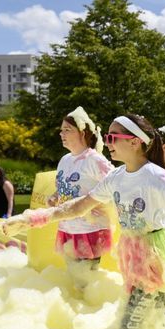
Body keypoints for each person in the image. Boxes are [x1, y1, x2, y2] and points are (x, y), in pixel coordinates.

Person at [4, 114, 165, 329]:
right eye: (107, 137)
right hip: (131, 251)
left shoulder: (155, 176)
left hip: (154, 254)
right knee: (156, 319)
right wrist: (31, 219)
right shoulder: (116, 177)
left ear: (135, 142)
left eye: (112, 137)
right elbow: (78, 206)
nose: (106, 143)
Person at [47, 107, 114, 292]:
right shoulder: (65, 159)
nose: (62, 134)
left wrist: (99, 204)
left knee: (86, 281)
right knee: (74, 278)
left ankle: (91, 314)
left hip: (90, 229)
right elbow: (64, 187)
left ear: (82, 132)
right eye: (61, 130)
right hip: (68, 227)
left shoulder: (94, 159)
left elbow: (116, 186)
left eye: (67, 130)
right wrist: (54, 197)